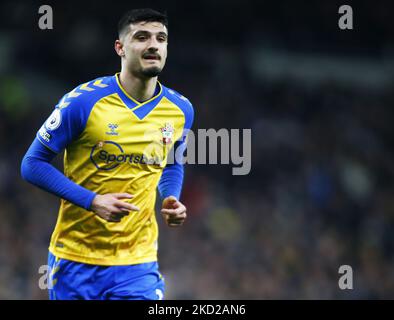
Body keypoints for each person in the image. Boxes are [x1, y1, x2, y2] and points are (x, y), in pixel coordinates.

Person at [21, 8, 194, 300]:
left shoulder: (181, 110)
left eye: (161, 38)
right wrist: (92, 201)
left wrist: (170, 197)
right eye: (142, 37)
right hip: (75, 262)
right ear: (120, 47)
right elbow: (32, 164)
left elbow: (173, 163)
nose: (153, 44)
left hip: (138, 264)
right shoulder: (84, 102)